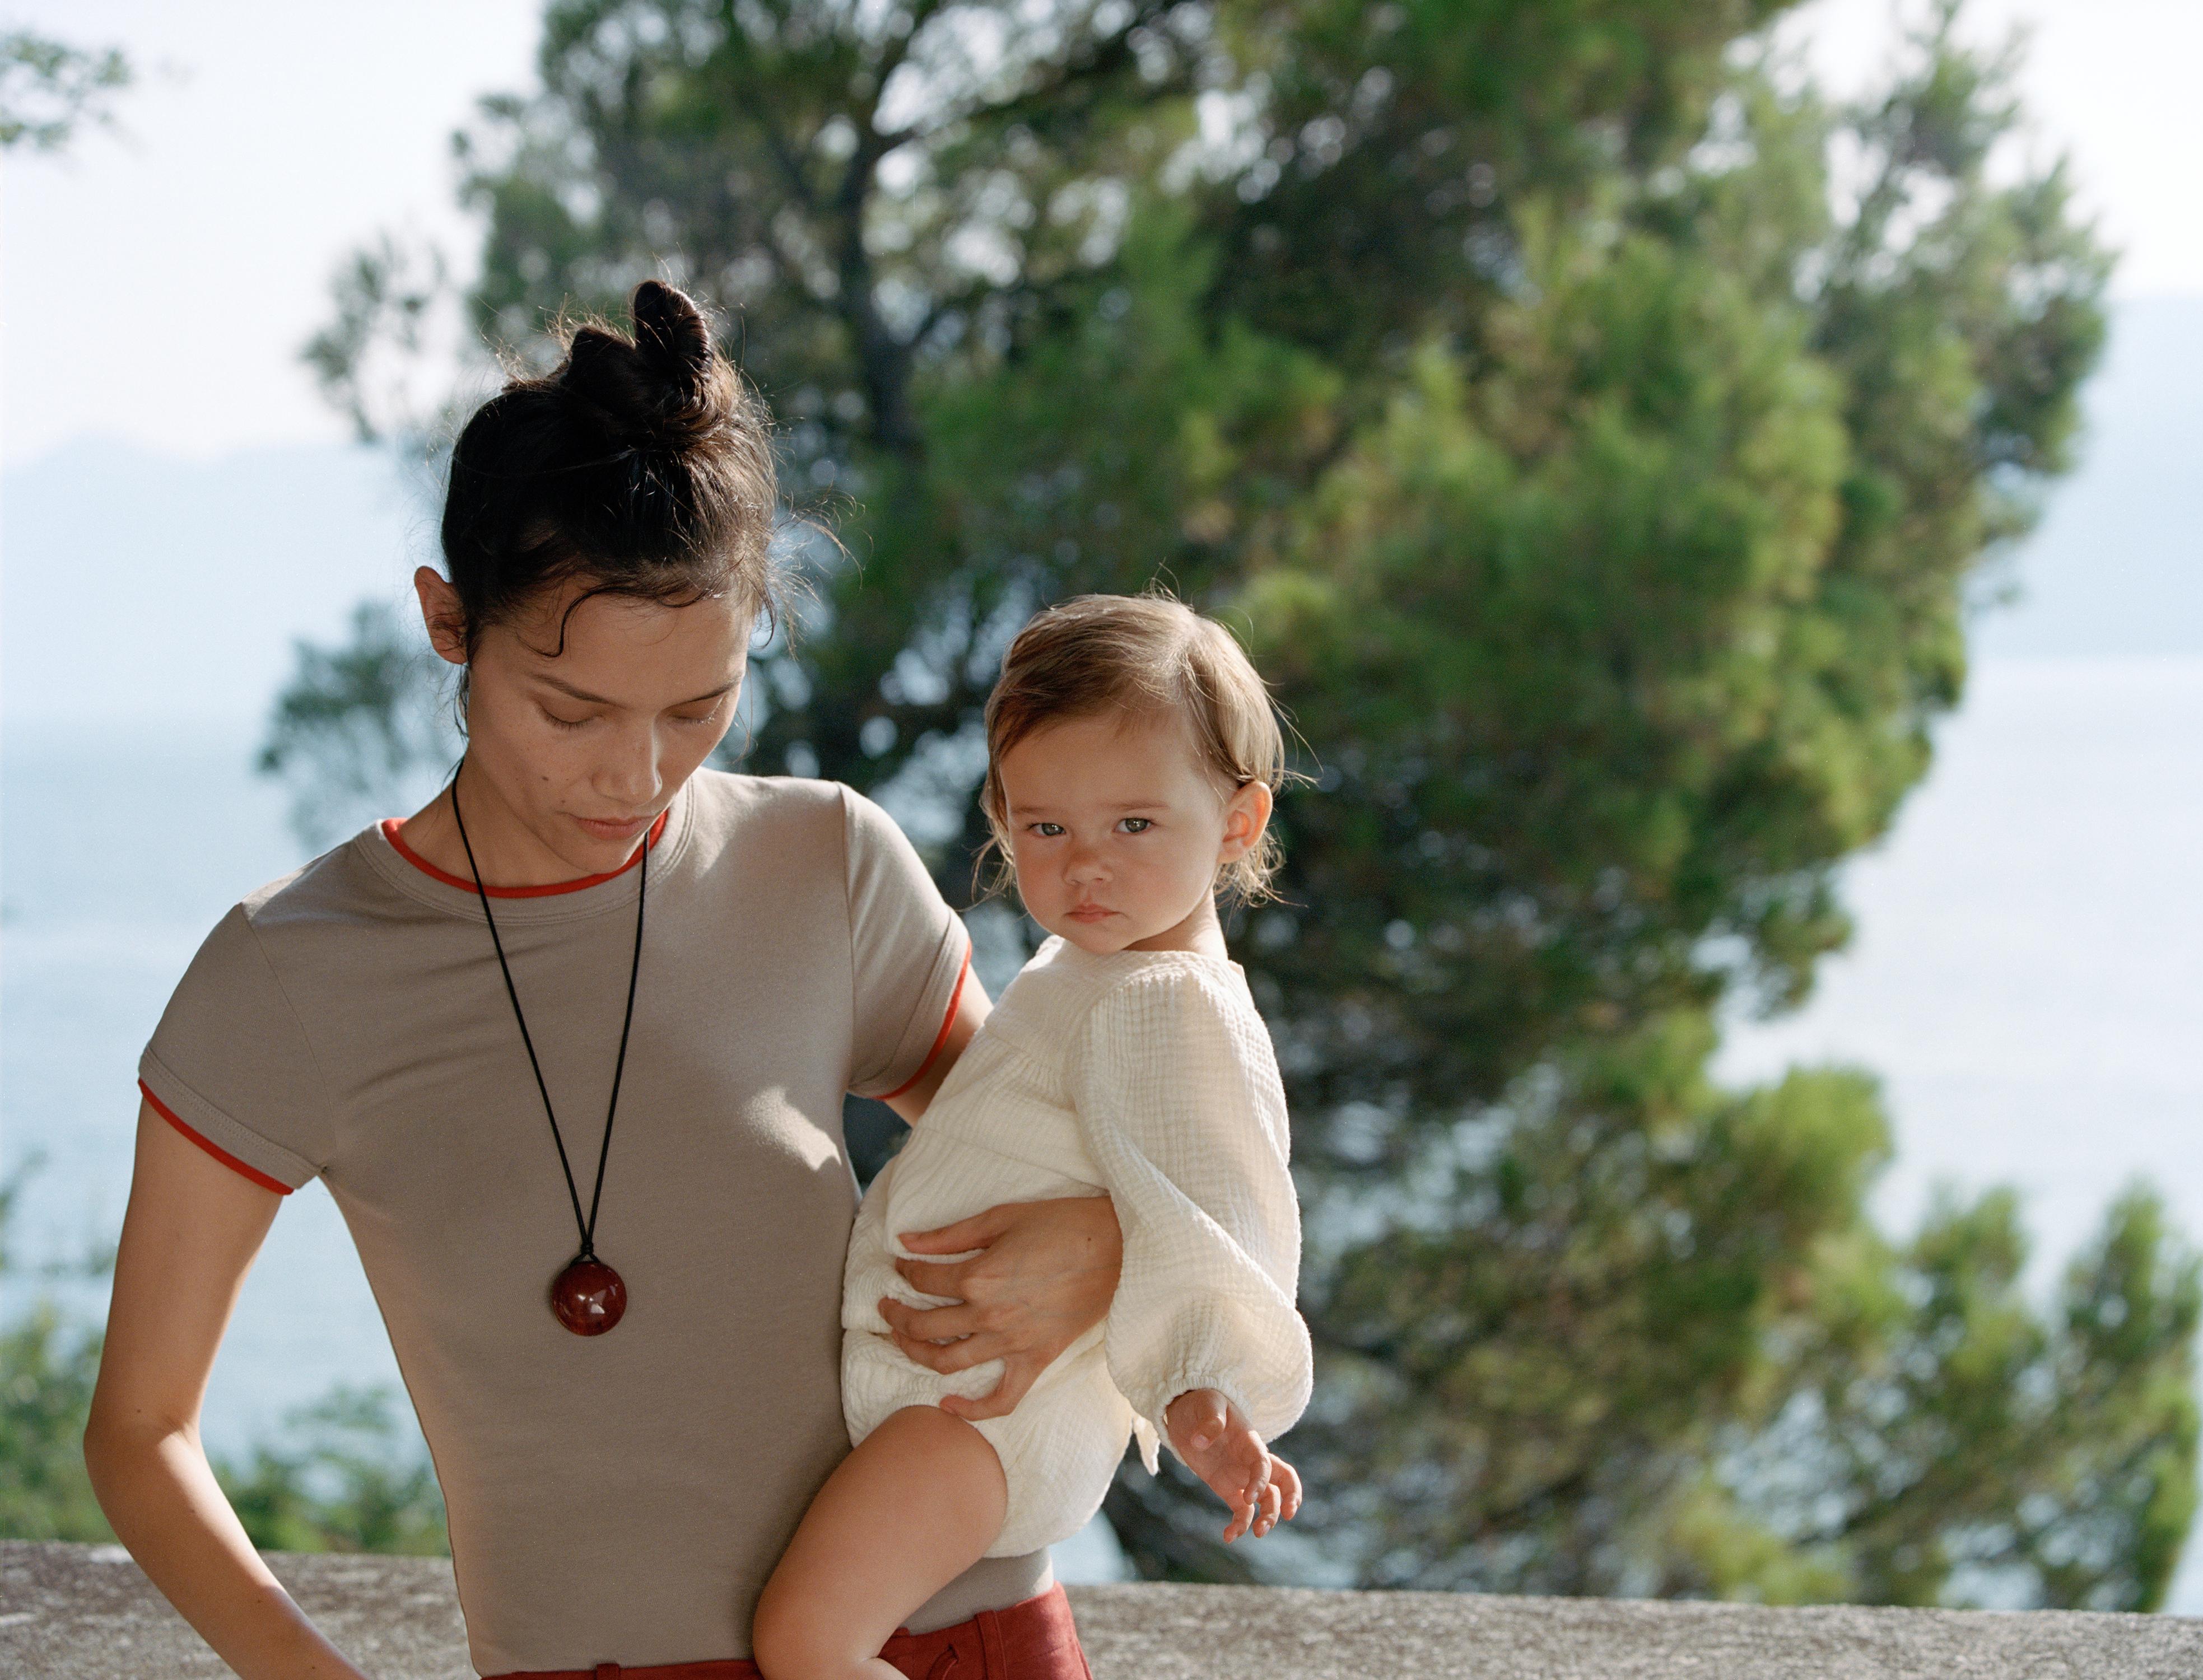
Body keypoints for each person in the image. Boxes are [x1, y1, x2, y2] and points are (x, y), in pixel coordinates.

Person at [82, 280, 1121, 1680]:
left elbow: (1049, 1159)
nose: (634, 778)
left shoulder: (822, 860)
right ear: (451, 624)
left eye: (697, 709)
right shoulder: (288, 975)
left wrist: (1110, 1244)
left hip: (967, 1630)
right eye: (570, 712)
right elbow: (141, 1431)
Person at [752, 594, 1315, 1680]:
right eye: (1043, 828)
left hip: (978, 1419)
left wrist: (1201, 1393)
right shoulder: (1100, 967)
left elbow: (1218, 1207)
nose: (1083, 866)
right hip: (954, 1405)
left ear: (1238, 824)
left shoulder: (1168, 1004)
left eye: (1133, 826)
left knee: (805, 1645)